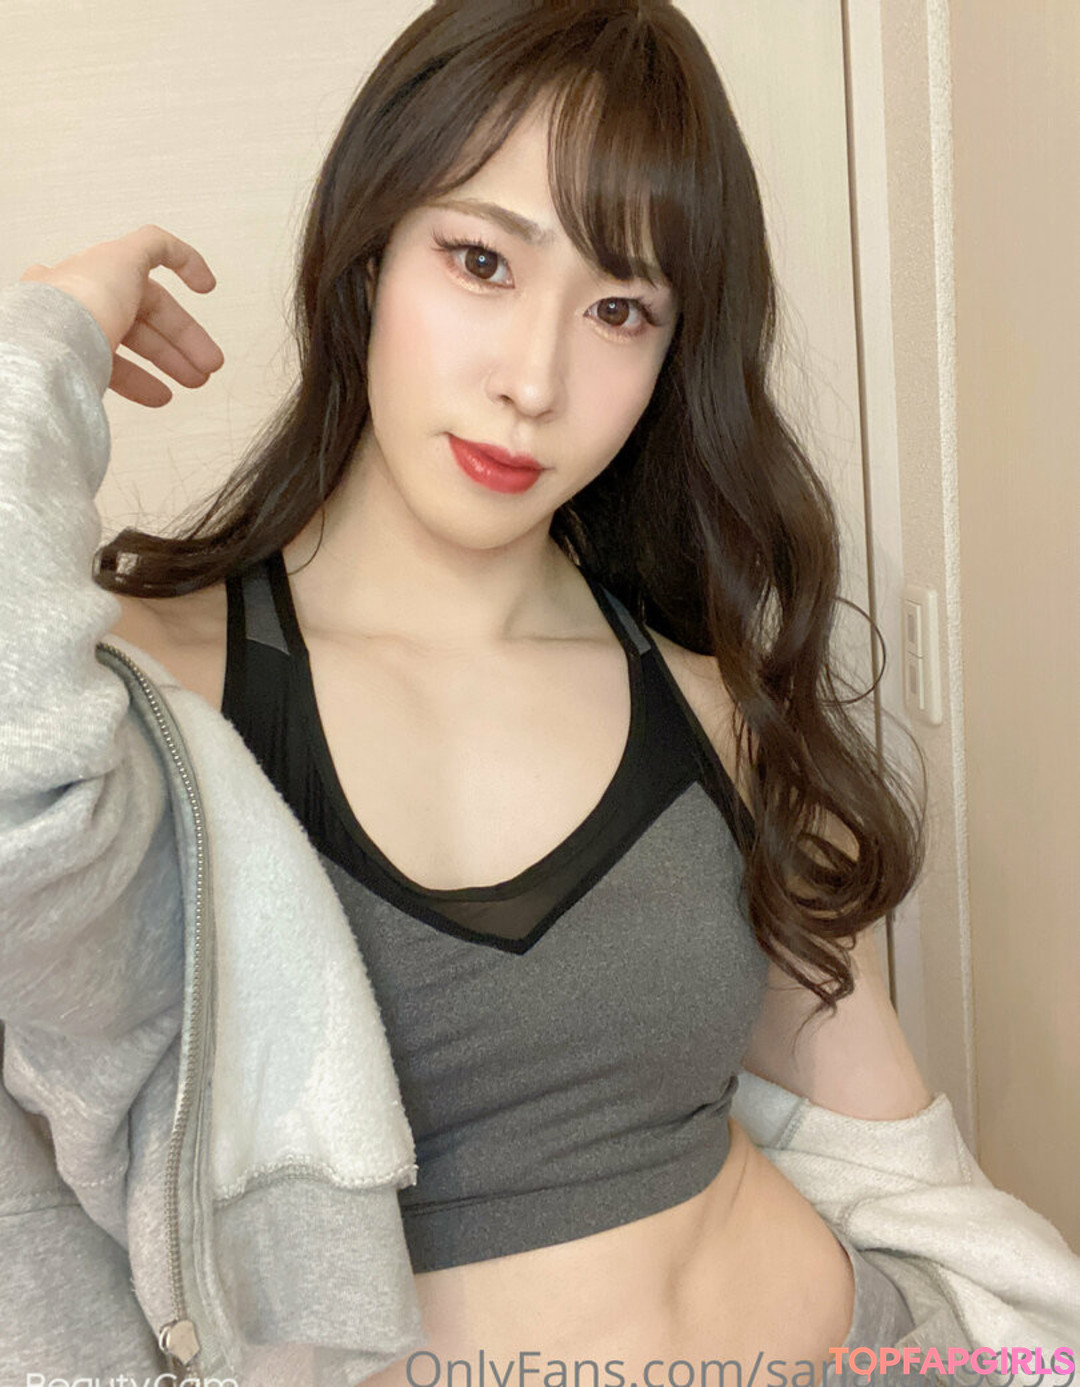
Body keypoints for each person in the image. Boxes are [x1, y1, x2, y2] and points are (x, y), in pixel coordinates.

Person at [4, 4, 1078, 1386]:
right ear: (368, 257)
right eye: (481, 261)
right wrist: (37, 352)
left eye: (620, 309)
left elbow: (904, 1165)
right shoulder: (162, 699)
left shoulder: (708, 708)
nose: (533, 380)